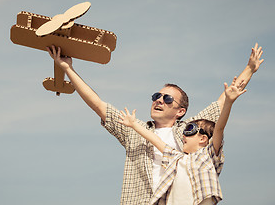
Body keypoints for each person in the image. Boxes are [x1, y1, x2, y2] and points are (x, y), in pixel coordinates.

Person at [46, 43, 264, 204]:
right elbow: (98, 105)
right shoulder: (133, 129)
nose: (159, 100)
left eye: (167, 98)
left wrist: (250, 69)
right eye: (156, 95)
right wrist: (68, 69)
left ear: (180, 111)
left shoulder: (190, 129)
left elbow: (225, 99)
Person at [118, 77, 247, 204]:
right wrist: (134, 125)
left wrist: (229, 102)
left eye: (189, 129)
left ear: (203, 138)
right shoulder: (177, 159)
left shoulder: (209, 155)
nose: (183, 135)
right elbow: (156, 141)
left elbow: (219, 128)